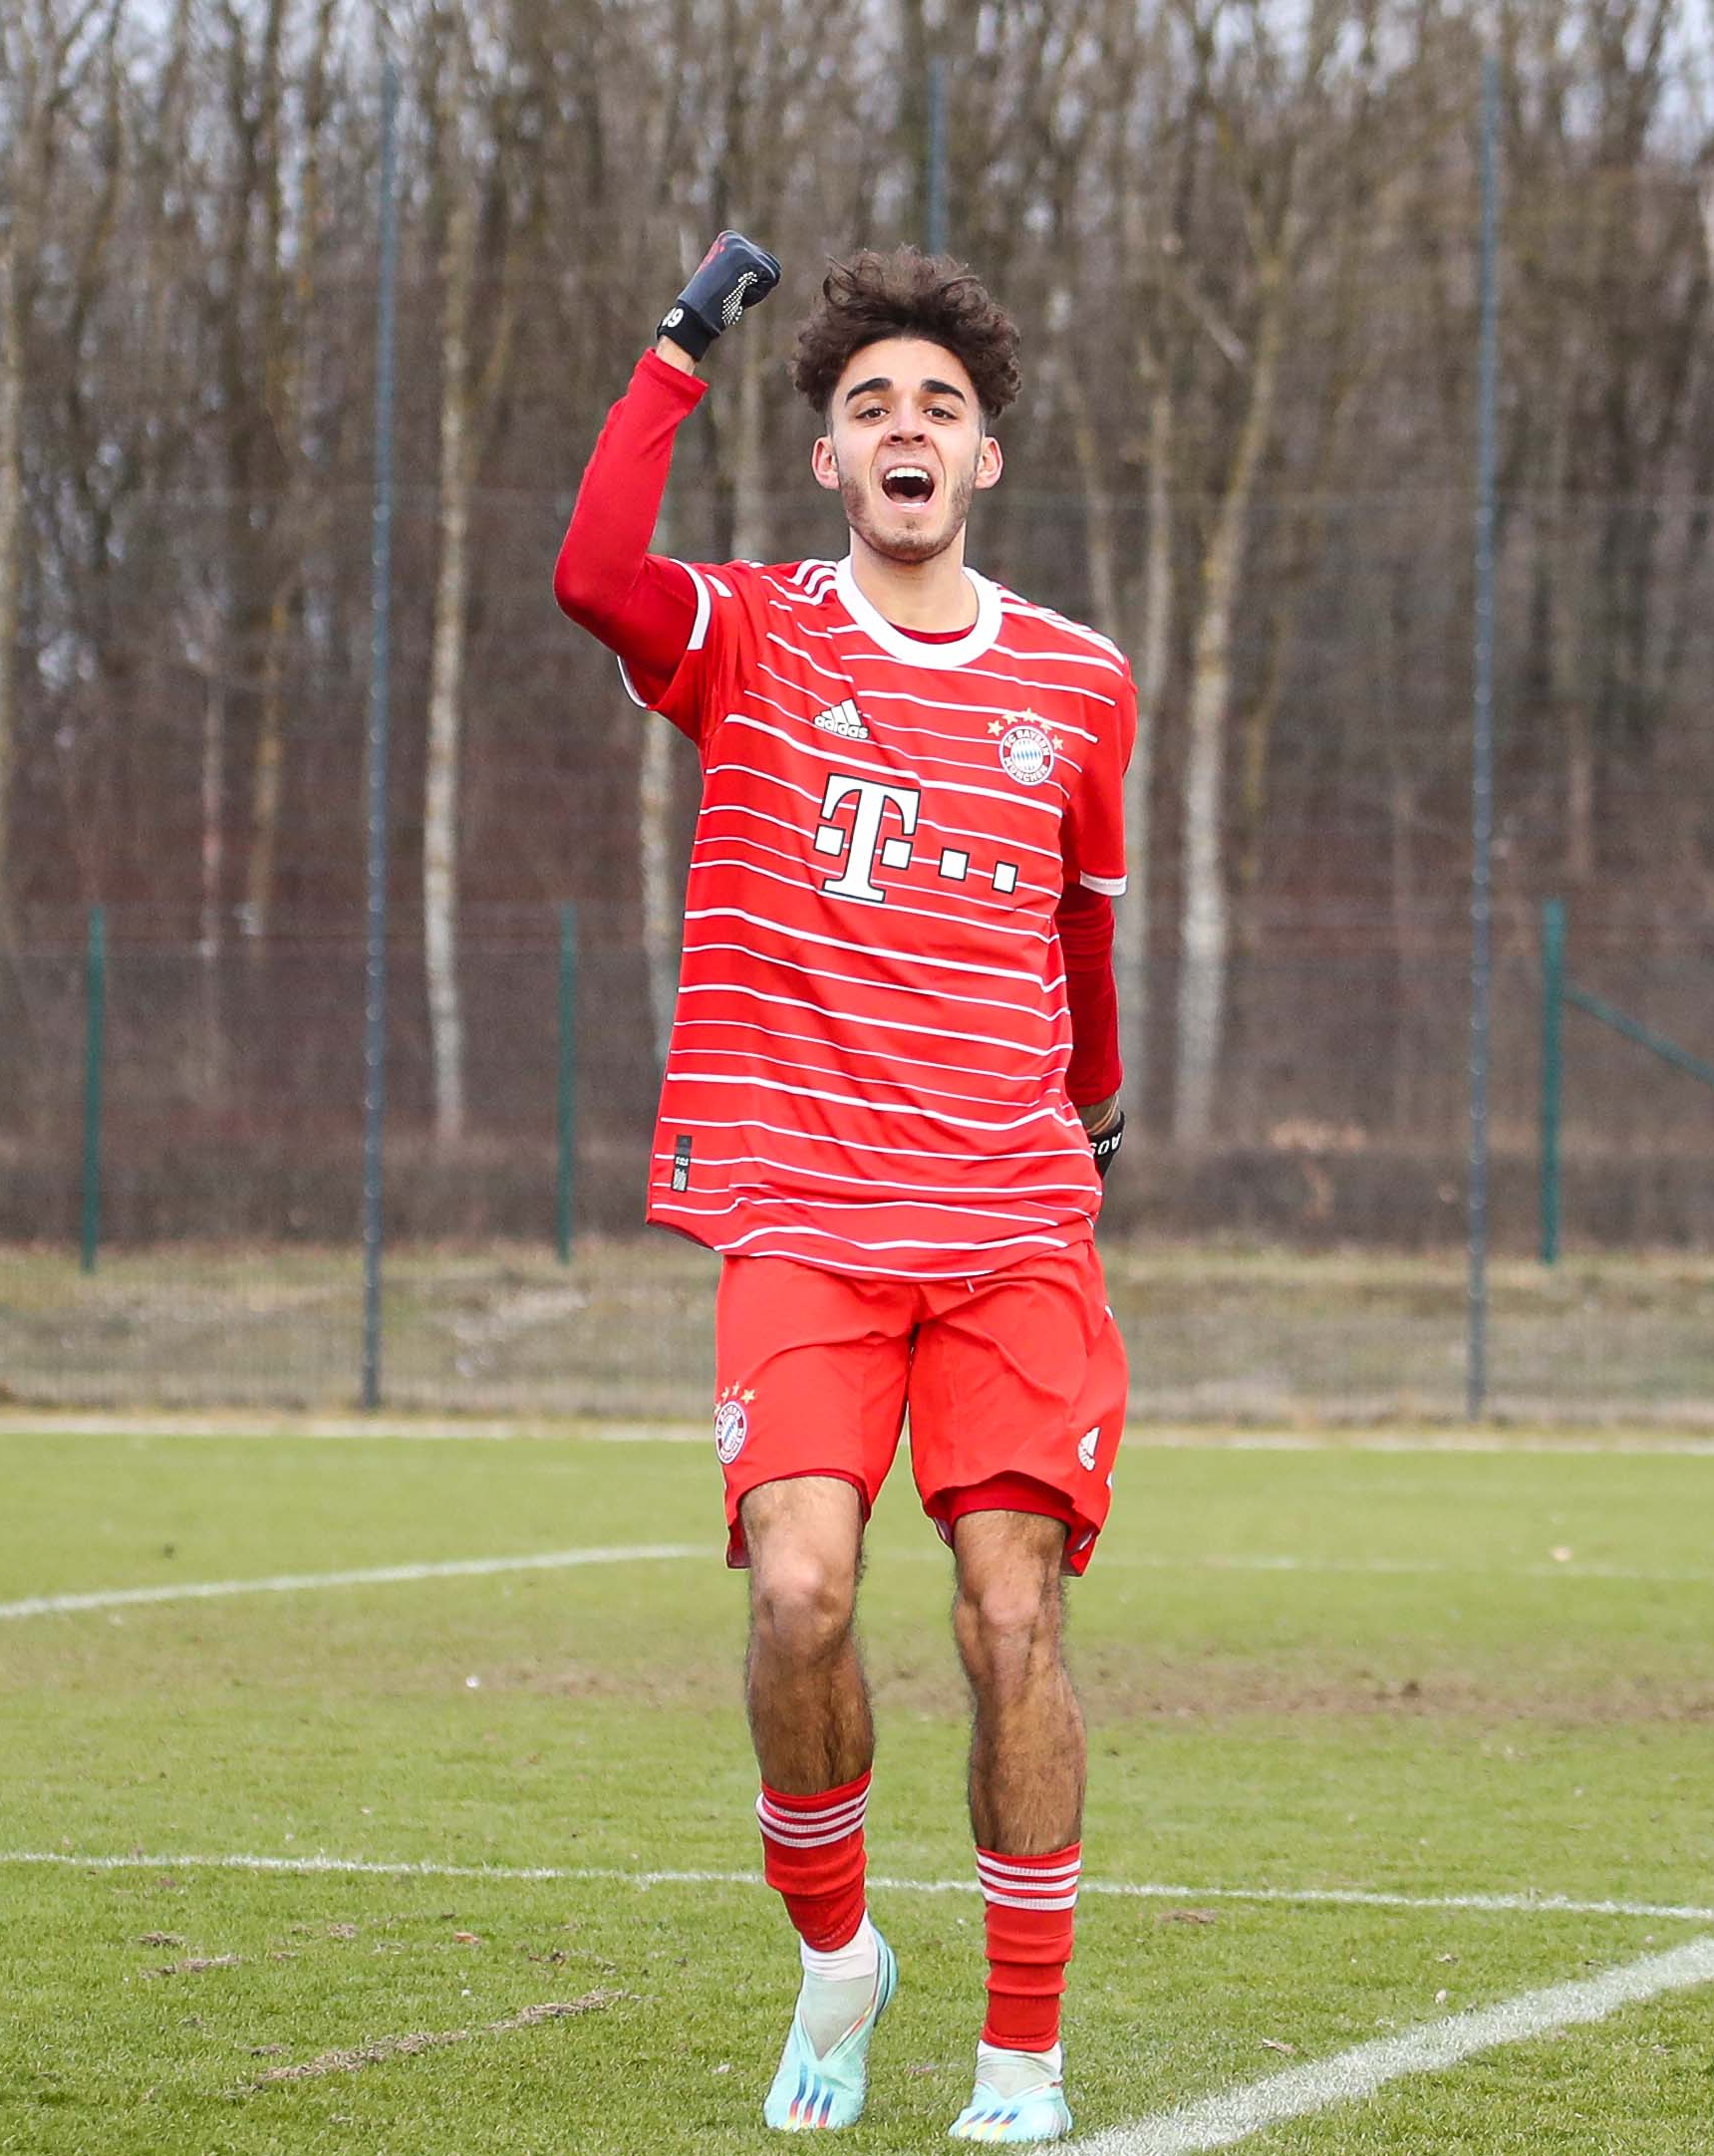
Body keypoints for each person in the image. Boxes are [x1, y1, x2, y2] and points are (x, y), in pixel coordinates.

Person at [554, 233, 1133, 2144]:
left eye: (940, 409)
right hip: (800, 1207)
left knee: (1009, 1617)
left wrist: (1101, 1109)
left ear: (983, 463)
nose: (906, 427)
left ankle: (1023, 2064)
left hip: (1007, 1220)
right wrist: (671, 355)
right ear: (830, 461)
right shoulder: (750, 631)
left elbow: (1082, 933)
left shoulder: (1080, 682)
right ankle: (835, 1953)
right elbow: (589, 574)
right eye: (872, 404)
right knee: (801, 1595)